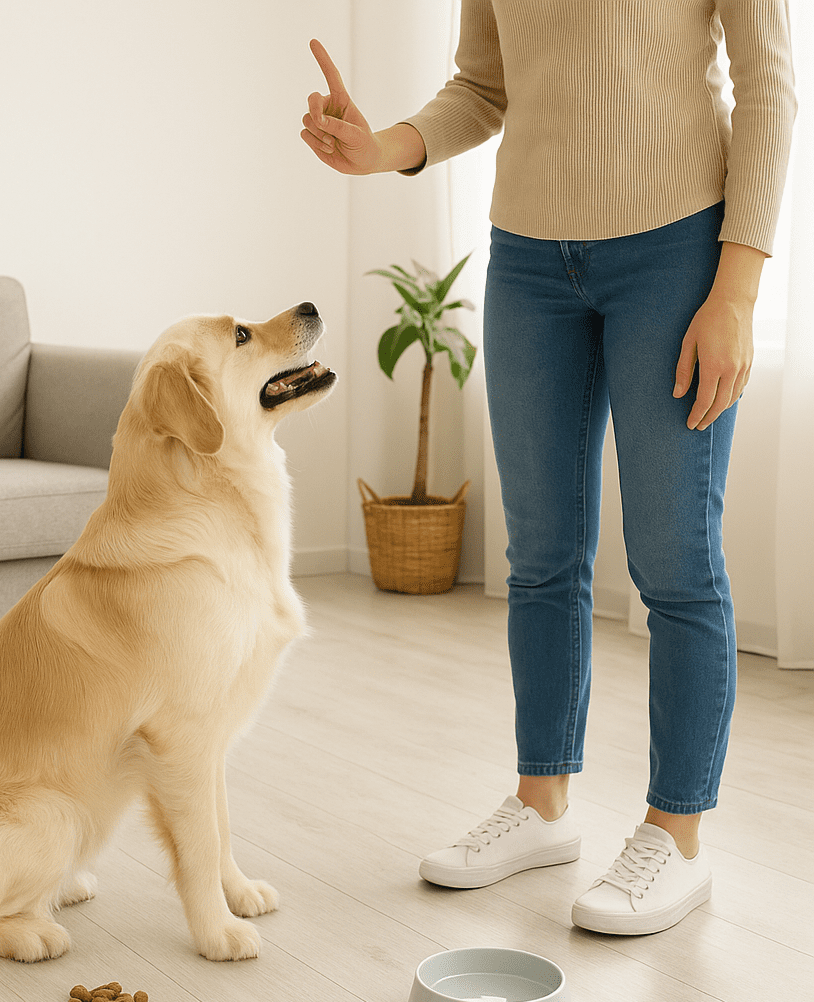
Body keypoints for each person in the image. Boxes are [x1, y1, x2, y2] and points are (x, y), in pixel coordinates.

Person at [301, 1, 796, 936]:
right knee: (540, 554)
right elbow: (486, 85)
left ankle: (676, 835)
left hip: (676, 250)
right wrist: (388, 148)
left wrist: (738, 286)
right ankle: (542, 805)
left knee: (674, 560)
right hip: (528, 259)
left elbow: (769, 86)